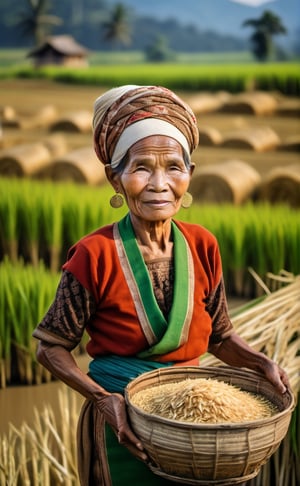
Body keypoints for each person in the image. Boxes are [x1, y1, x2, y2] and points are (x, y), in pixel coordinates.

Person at [33, 85, 289, 486]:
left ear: (190, 174)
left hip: (197, 426)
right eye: (140, 167)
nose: (159, 183)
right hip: (124, 424)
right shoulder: (93, 255)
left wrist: (260, 362)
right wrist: (104, 399)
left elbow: (220, 337)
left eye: (173, 166)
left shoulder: (203, 245)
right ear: (114, 178)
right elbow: (50, 347)